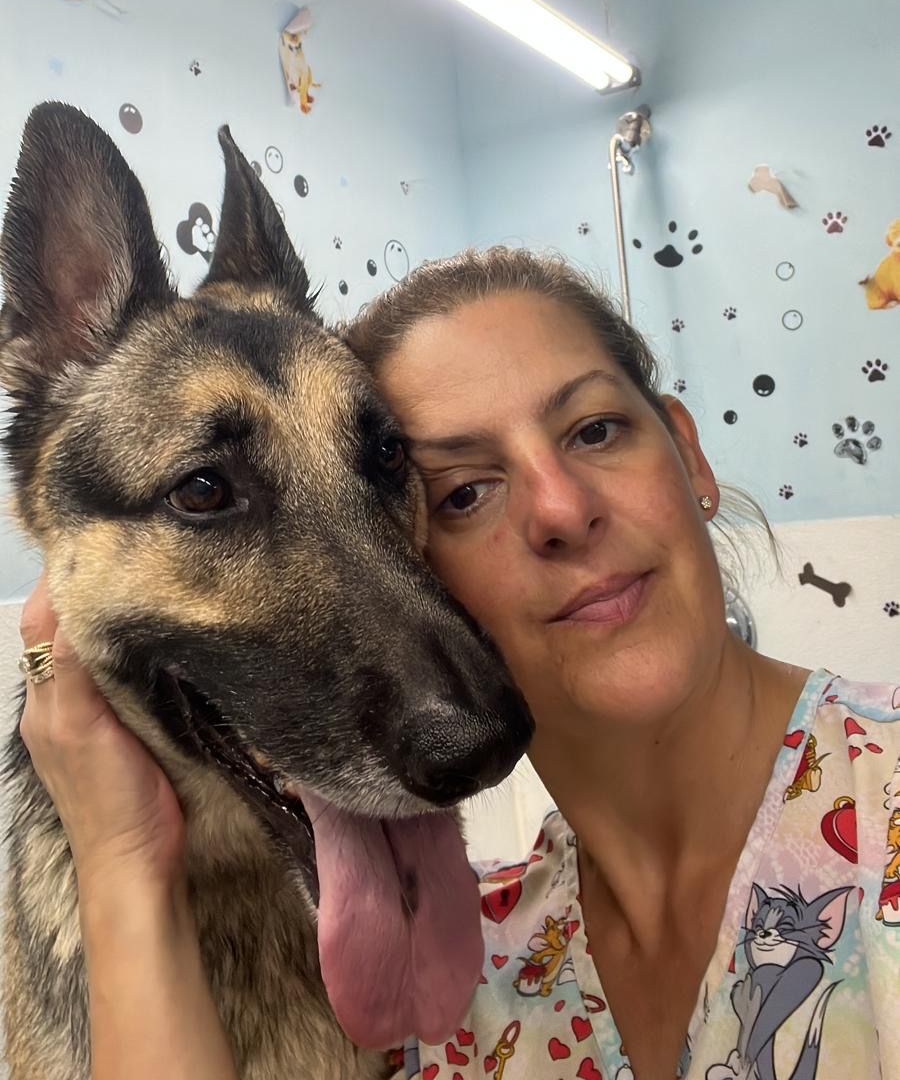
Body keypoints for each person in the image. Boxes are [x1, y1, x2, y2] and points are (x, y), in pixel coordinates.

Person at [16, 248, 900, 1080]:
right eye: (464, 490)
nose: (560, 508)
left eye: (595, 430)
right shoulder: (486, 968)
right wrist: (122, 856)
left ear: (689, 451)